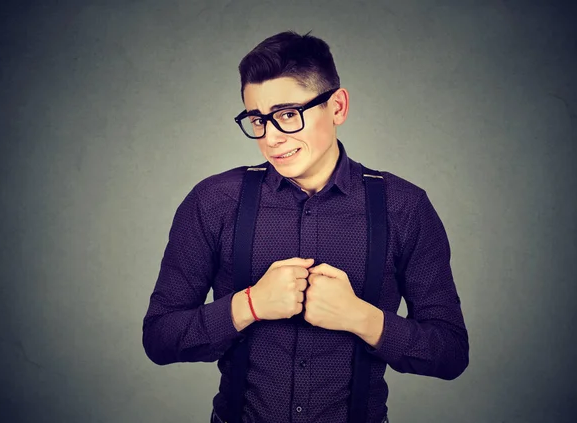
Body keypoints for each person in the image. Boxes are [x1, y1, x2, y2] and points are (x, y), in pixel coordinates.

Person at [142, 30, 469, 423]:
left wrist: (361, 318)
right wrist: (249, 306)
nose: (271, 138)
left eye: (286, 115)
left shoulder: (405, 207)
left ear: (337, 107)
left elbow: (450, 352)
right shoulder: (214, 202)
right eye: (257, 120)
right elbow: (160, 338)